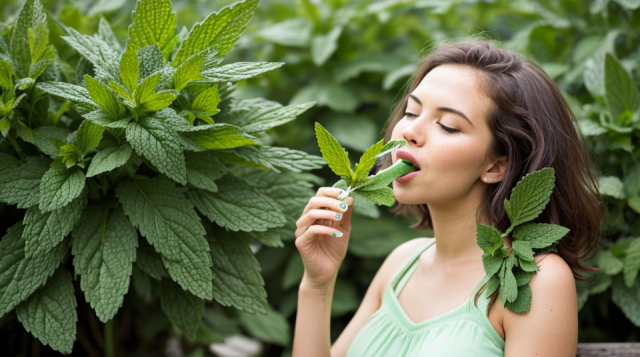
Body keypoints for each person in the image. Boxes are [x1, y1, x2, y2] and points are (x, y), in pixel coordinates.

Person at [291, 40, 604, 357]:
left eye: (448, 126)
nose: (411, 130)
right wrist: (317, 286)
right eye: (412, 111)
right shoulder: (401, 263)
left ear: (497, 165)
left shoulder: (536, 279)